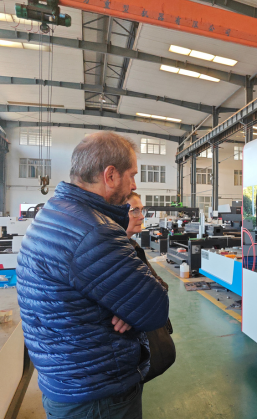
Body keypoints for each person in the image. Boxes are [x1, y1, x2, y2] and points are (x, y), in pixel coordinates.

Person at [16, 132, 169, 419]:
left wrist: (129, 305)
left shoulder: (54, 213)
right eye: (132, 175)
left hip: (65, 380)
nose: (135, 185)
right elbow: (154, 309)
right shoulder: (94, 230)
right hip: (98, 396)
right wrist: (132, 307)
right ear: (110, 175)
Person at [126, 192, 175, 383]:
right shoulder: (117, 252)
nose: (141, 216)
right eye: (134, 210)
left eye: (142, 210)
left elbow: (161, 286)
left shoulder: (133, 247)